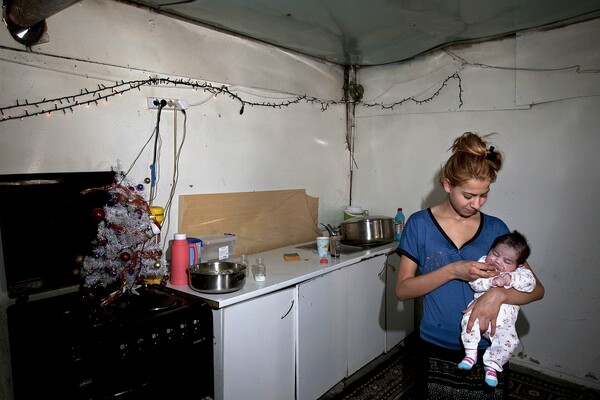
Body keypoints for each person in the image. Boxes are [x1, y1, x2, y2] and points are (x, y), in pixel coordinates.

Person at [395, 132, 544, 399]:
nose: (476, 204)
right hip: (436, 343)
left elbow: (536, 290)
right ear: (447, 184)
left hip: (488, 348)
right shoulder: (419, 224)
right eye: (468, 195)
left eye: (483, 195)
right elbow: (403, 290)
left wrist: (499, 294)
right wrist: (454, 270)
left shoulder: (497, 229)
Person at [458, 231, 536, 388]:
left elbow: (531, 285)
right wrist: (491, 282)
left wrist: (511, 278)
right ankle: (470, 354)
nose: (498, 261)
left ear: (518, 266)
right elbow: (475, 283)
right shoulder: (483, 265)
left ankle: (492, 366)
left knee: (510, 341)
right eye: (495, 253)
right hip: (479, 312)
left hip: (504, 323)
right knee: (467, 321)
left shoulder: (520, 273)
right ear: (490, 249)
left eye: (507, 261)